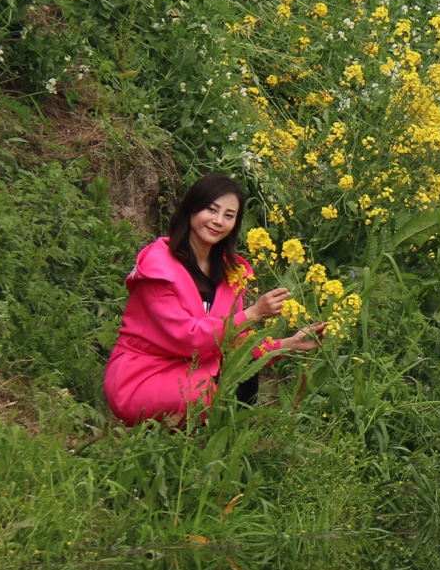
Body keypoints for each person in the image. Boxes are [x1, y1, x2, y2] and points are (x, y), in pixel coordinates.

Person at [102, 172, 325, 425]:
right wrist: (254, 313)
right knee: (216, 389)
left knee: (242, 365)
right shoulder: (158, 268)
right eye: (211, 210)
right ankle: (205, 444)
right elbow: (188, 338)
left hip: (193, 370)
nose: (218, 221)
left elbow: (236, 344)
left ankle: (226, 447)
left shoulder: (229, 273)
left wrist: (288, 344)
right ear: (191, 209)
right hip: (144, 374)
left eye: (229, 216)